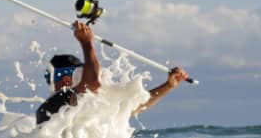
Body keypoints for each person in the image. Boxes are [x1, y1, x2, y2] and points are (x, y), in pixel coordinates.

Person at [35, 20, 189, 125]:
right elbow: (93, 83)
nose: (62, 81)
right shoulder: (50, 106)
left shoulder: (91, 105)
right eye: (54, 77)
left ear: (80, 74)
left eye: (66, 74)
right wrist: (87, 43)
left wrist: (168, 86)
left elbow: (132, 107)